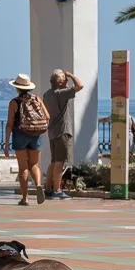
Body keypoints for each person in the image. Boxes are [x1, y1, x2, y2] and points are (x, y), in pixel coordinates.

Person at [5, 74, 48, 206]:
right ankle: (39, 185)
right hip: (36, 134)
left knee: (23, 168)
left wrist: (6, 144)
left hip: (20, 134)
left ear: (17, 88)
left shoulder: (14, 102)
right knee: (34, 165)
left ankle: (25, 198)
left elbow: (9, 124)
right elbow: (48, 116)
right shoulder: (37, 99)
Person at [42, 69, 83, 200]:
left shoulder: (47, 94)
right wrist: (70, 74)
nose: (67, 81)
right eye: (65, 80)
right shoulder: (61, 93)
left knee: (53, 162)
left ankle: (48, 189)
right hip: (63, 132)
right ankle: (57, 190)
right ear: (60, 82)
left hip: (52, 132)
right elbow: (80, 86)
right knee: (60, 162)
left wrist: (66, 78)